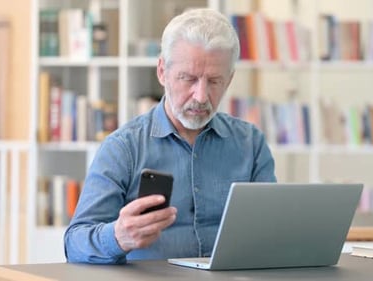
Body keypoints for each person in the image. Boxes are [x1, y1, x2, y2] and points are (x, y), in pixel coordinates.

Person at [64, 8, 276, 264]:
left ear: (229, 80)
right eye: (188, 79)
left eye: (214, 81)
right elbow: (74, 244)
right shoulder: (123, 148)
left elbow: (271, 232)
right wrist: (117, 237)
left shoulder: (250, 144)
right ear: (162, 71)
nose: (200, 96)